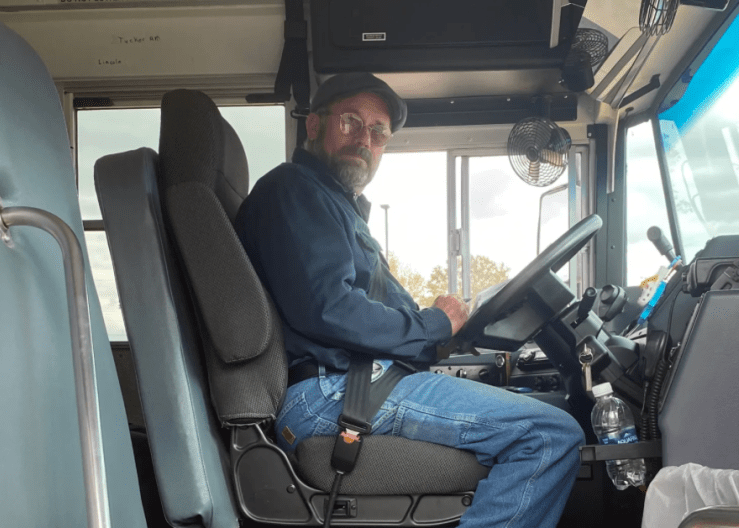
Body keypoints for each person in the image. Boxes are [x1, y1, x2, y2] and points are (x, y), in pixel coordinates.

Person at [235, 72, 584, 527]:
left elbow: (373, 306)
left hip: (350, 383)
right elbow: (329, 308)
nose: (364, 138)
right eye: (350, 122)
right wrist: (435, 325)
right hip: (329, 393)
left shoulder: (338, 207)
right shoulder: (295, 191)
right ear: (314, 126)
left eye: (378, 132)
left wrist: (447, 327)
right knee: (550, 433)